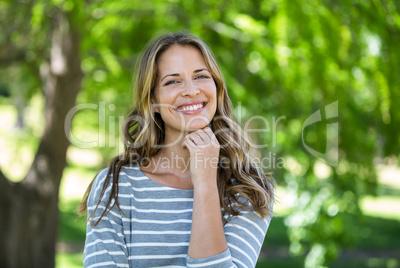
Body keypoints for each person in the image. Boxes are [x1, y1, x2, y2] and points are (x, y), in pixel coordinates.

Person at [78, 32, 275, 267]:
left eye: (201, 76)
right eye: (172, 81)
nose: (191, 91)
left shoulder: (248, 187)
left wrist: (205, 182)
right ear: (152, 101)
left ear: (217, 88)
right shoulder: (116, 186)